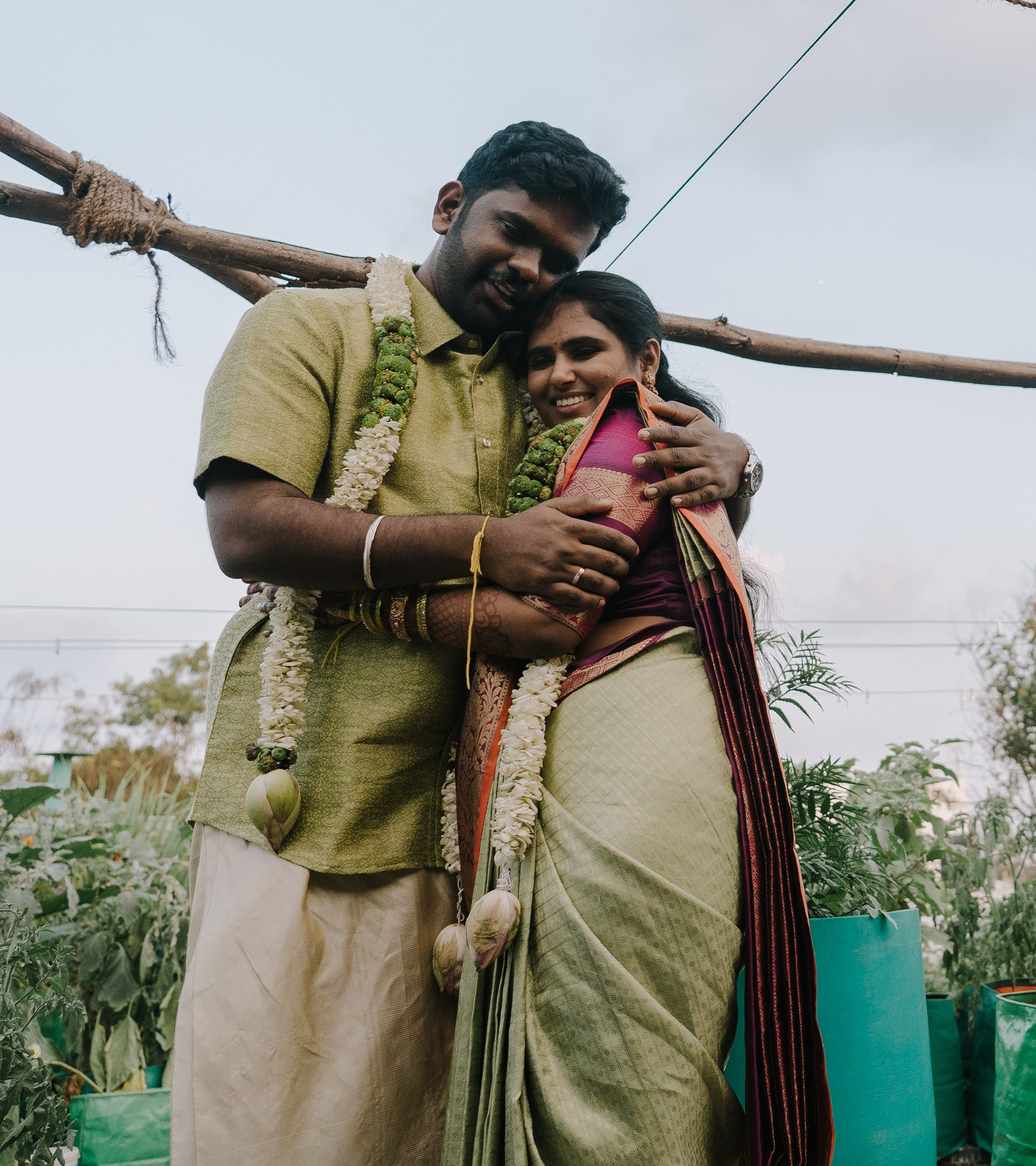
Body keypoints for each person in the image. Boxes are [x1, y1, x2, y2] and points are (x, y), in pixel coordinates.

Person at [168, 123, 759, 1166]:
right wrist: (490, 544)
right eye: (513, 231)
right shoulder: (311, 328)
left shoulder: (547, 384)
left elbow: (646, 532)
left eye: (561, 259)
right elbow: (247, 530)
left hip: (468, 835)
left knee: (422, 1129)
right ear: (450, 207)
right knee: (265, 1119)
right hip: (306, 798)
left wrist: (735, 461)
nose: (531, 269)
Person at [441, 272, 827, 1166]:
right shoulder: (572, 454)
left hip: (633, 734)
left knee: (613, 1014)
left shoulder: (629, 432)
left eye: (584, 349)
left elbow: (550, 617)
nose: (558, 374)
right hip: (617, 736)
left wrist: (370, 601)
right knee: (611, 1019)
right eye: (539, 359)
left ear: (645, 359)